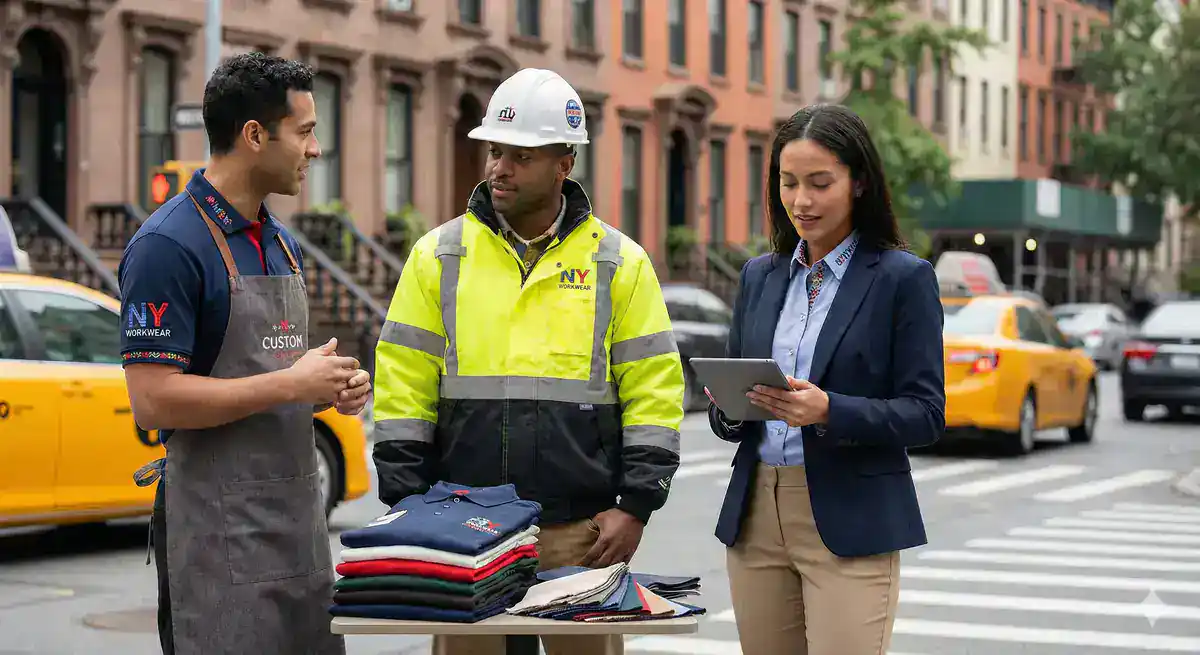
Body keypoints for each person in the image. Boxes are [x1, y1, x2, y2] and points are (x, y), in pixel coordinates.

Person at [372, 67, 685, 655]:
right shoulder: (438, 256)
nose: (499, 169)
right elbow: (402, 383)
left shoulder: (619, 263)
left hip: (580, 533)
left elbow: (653, 392)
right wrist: (408, 502)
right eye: (495, 152)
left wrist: (636, 506)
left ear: (564, 163)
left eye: (520, 155)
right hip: (461, 532)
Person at [120, 52, 371, 655]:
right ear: (255, 135)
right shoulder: (166, 247)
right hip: (215, 546)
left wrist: (326, 384)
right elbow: (153, 402)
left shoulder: (282, 245)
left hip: (300, 535)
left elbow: (264, 372)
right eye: (306, 131)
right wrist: (291, 384)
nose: (316, 149)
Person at [707, 104, 946, 655]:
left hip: (850, 520)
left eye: (820, 183)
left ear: (858, 182)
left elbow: (926, 413)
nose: (801, 201)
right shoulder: (759, 276)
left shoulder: (903, 280)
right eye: (788, 183)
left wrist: (829, 410)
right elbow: (733, 412)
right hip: (757, 515)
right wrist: (727, 405)